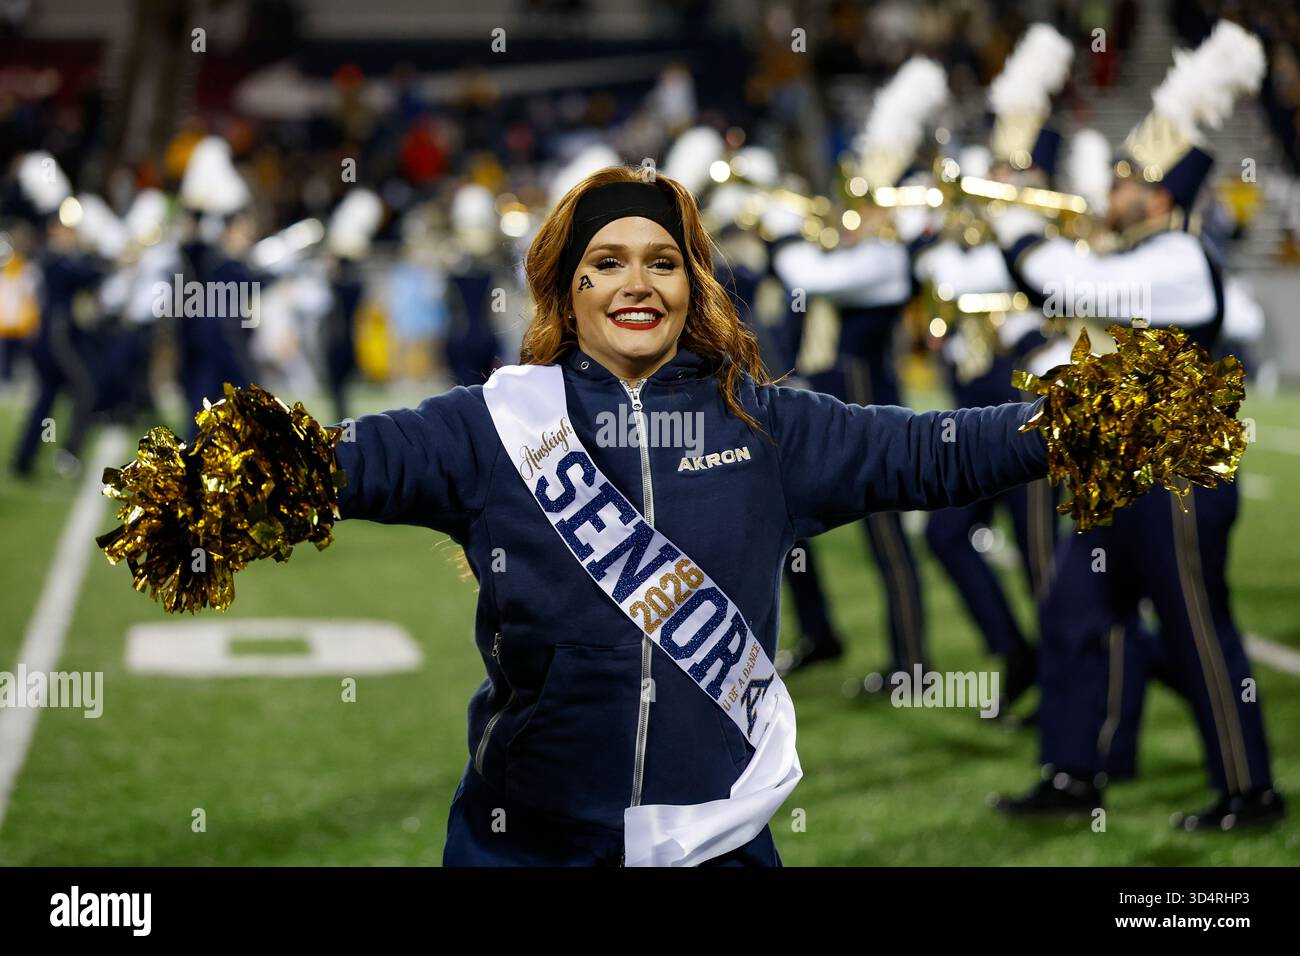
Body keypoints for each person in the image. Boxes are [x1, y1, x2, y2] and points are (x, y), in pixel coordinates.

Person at [333, 166, 1053, 866]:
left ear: (692, 285)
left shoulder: (767, 430)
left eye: (663, 263)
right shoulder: (494, 427)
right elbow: (340, 463)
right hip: (526, 841)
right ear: (566, 285)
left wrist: (1067, 425)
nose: (637, 285)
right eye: (607, 263)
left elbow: (938, 450)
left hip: (718, 843)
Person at [990, 20, 1284, 830]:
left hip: (1179, 480)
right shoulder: (1135, 258)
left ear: (1157, 194)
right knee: (1075, 616)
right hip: (1118, 476)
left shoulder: (1182, 259)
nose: (1107, 192)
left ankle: (1249, 789)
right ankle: (1076, 771)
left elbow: (1066, 284)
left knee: (1196, 631)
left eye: (1122, 179)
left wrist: (1015, 224)